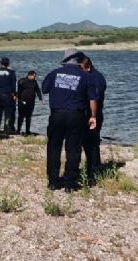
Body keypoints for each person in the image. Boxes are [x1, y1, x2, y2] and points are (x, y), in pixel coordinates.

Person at [42, 48, 98, 192]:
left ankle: (53, 182)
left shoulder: (54, 73)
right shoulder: (86, 76)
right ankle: (69, 183)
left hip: (57, 114)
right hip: (76, 115)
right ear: (79, 60)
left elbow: (44, 89)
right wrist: (93, 116)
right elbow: (93, 99)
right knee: (73, 149)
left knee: (54, 147)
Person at [80, 57, 107, 184]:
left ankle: (94, 169)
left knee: (92, 142)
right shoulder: (88, 76)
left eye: (82, 68)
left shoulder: (98, 78)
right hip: (85, 114)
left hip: (94, 114)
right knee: (86, 142)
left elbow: (95, 97)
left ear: (88, 67)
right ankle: (90, 168)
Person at [0, 57, 17, 134]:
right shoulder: (11, 72)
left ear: (1, 63)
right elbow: (13, 85)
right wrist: (14, 94)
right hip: (8, 95)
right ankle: (7, 129)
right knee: (8, 113)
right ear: (8, 64)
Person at [16, 70, 43, 134]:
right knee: (21, 116)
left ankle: (27, 131)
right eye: (34, 76)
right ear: (29, 75)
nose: (35, 77)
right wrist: (17, 98)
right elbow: (18, 91)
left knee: (28, 117)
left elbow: (38, 91)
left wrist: (40, 99)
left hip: (31, 102)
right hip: (22, 102)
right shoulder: (22, 81)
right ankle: (18, 130)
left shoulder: (35, 82)